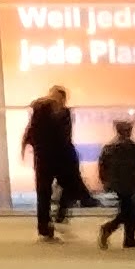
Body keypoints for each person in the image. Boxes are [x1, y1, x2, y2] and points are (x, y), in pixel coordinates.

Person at [27, 85, 90, 241]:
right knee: (44, 194)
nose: (57, 100)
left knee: (71, 186)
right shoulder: (41, 111)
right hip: (45, 158)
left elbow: (66, 137)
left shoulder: (65, 113)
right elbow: (35, 133)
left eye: (60, 98)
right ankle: (45, 228)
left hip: (61, 157)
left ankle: (60, 216)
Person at [104, 117, 135, 253]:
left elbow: (102, 166)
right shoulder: (132, 148)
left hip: (118, 184)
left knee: (130, 211)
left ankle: (129, 239)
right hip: (129, 184)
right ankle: (110, 229)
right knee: (129, 212)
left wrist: (106, 181)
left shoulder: (110, 147)